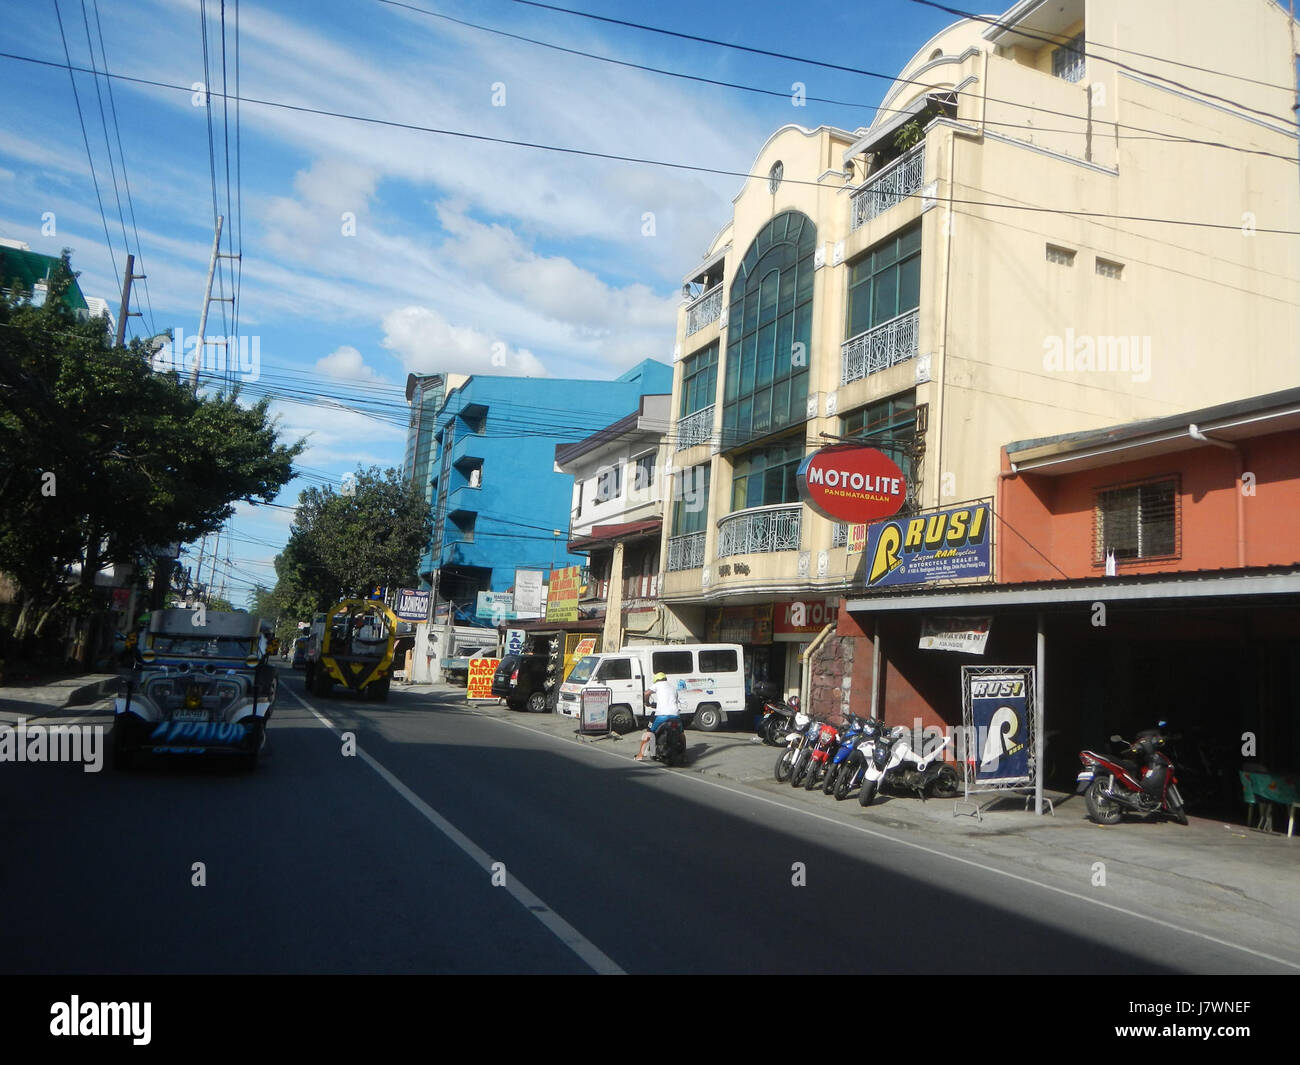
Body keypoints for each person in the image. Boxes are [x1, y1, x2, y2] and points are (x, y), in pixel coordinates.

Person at [636, 671, 680, 761]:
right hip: (675, 715)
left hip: (662, 715)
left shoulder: (658, 684)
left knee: (649, 732)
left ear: (656, 680)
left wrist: (646, 703)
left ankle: (640, 755)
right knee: (681, 733)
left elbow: (646, 693)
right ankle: (684, 756)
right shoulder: (673, 687)